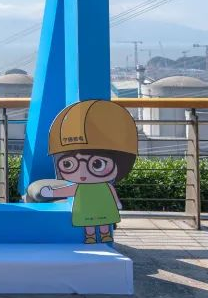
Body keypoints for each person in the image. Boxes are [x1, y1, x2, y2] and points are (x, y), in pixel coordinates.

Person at [40, 100, 138, 244]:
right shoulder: (87, 186)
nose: (83, 173)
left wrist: (117, 202)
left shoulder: (101, 186)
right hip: (91, 209)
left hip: (99, 208)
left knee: (102, 221)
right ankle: (91, 237)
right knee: (90, 223)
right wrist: (52, 193)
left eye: (97, 164)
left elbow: (70, 190)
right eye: (68, 164)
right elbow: (69, 190)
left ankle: (103, 235)